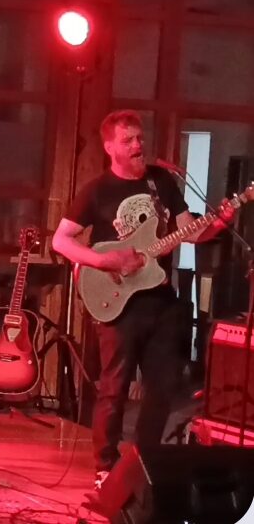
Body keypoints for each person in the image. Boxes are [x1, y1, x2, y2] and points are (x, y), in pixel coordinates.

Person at [51, 110, 234, 490]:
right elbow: (61, 240)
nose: (138, 145)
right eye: (128, 140)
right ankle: (105, 466)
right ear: (110, 148)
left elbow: (188, 232)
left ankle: (143, 462)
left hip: (160, 299)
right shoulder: (97, 190)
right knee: (114, 387)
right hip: (118, 301)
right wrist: (104, 260)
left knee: (163, 386)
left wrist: (218, 222)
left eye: (139, 138)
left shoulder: (161, 181)